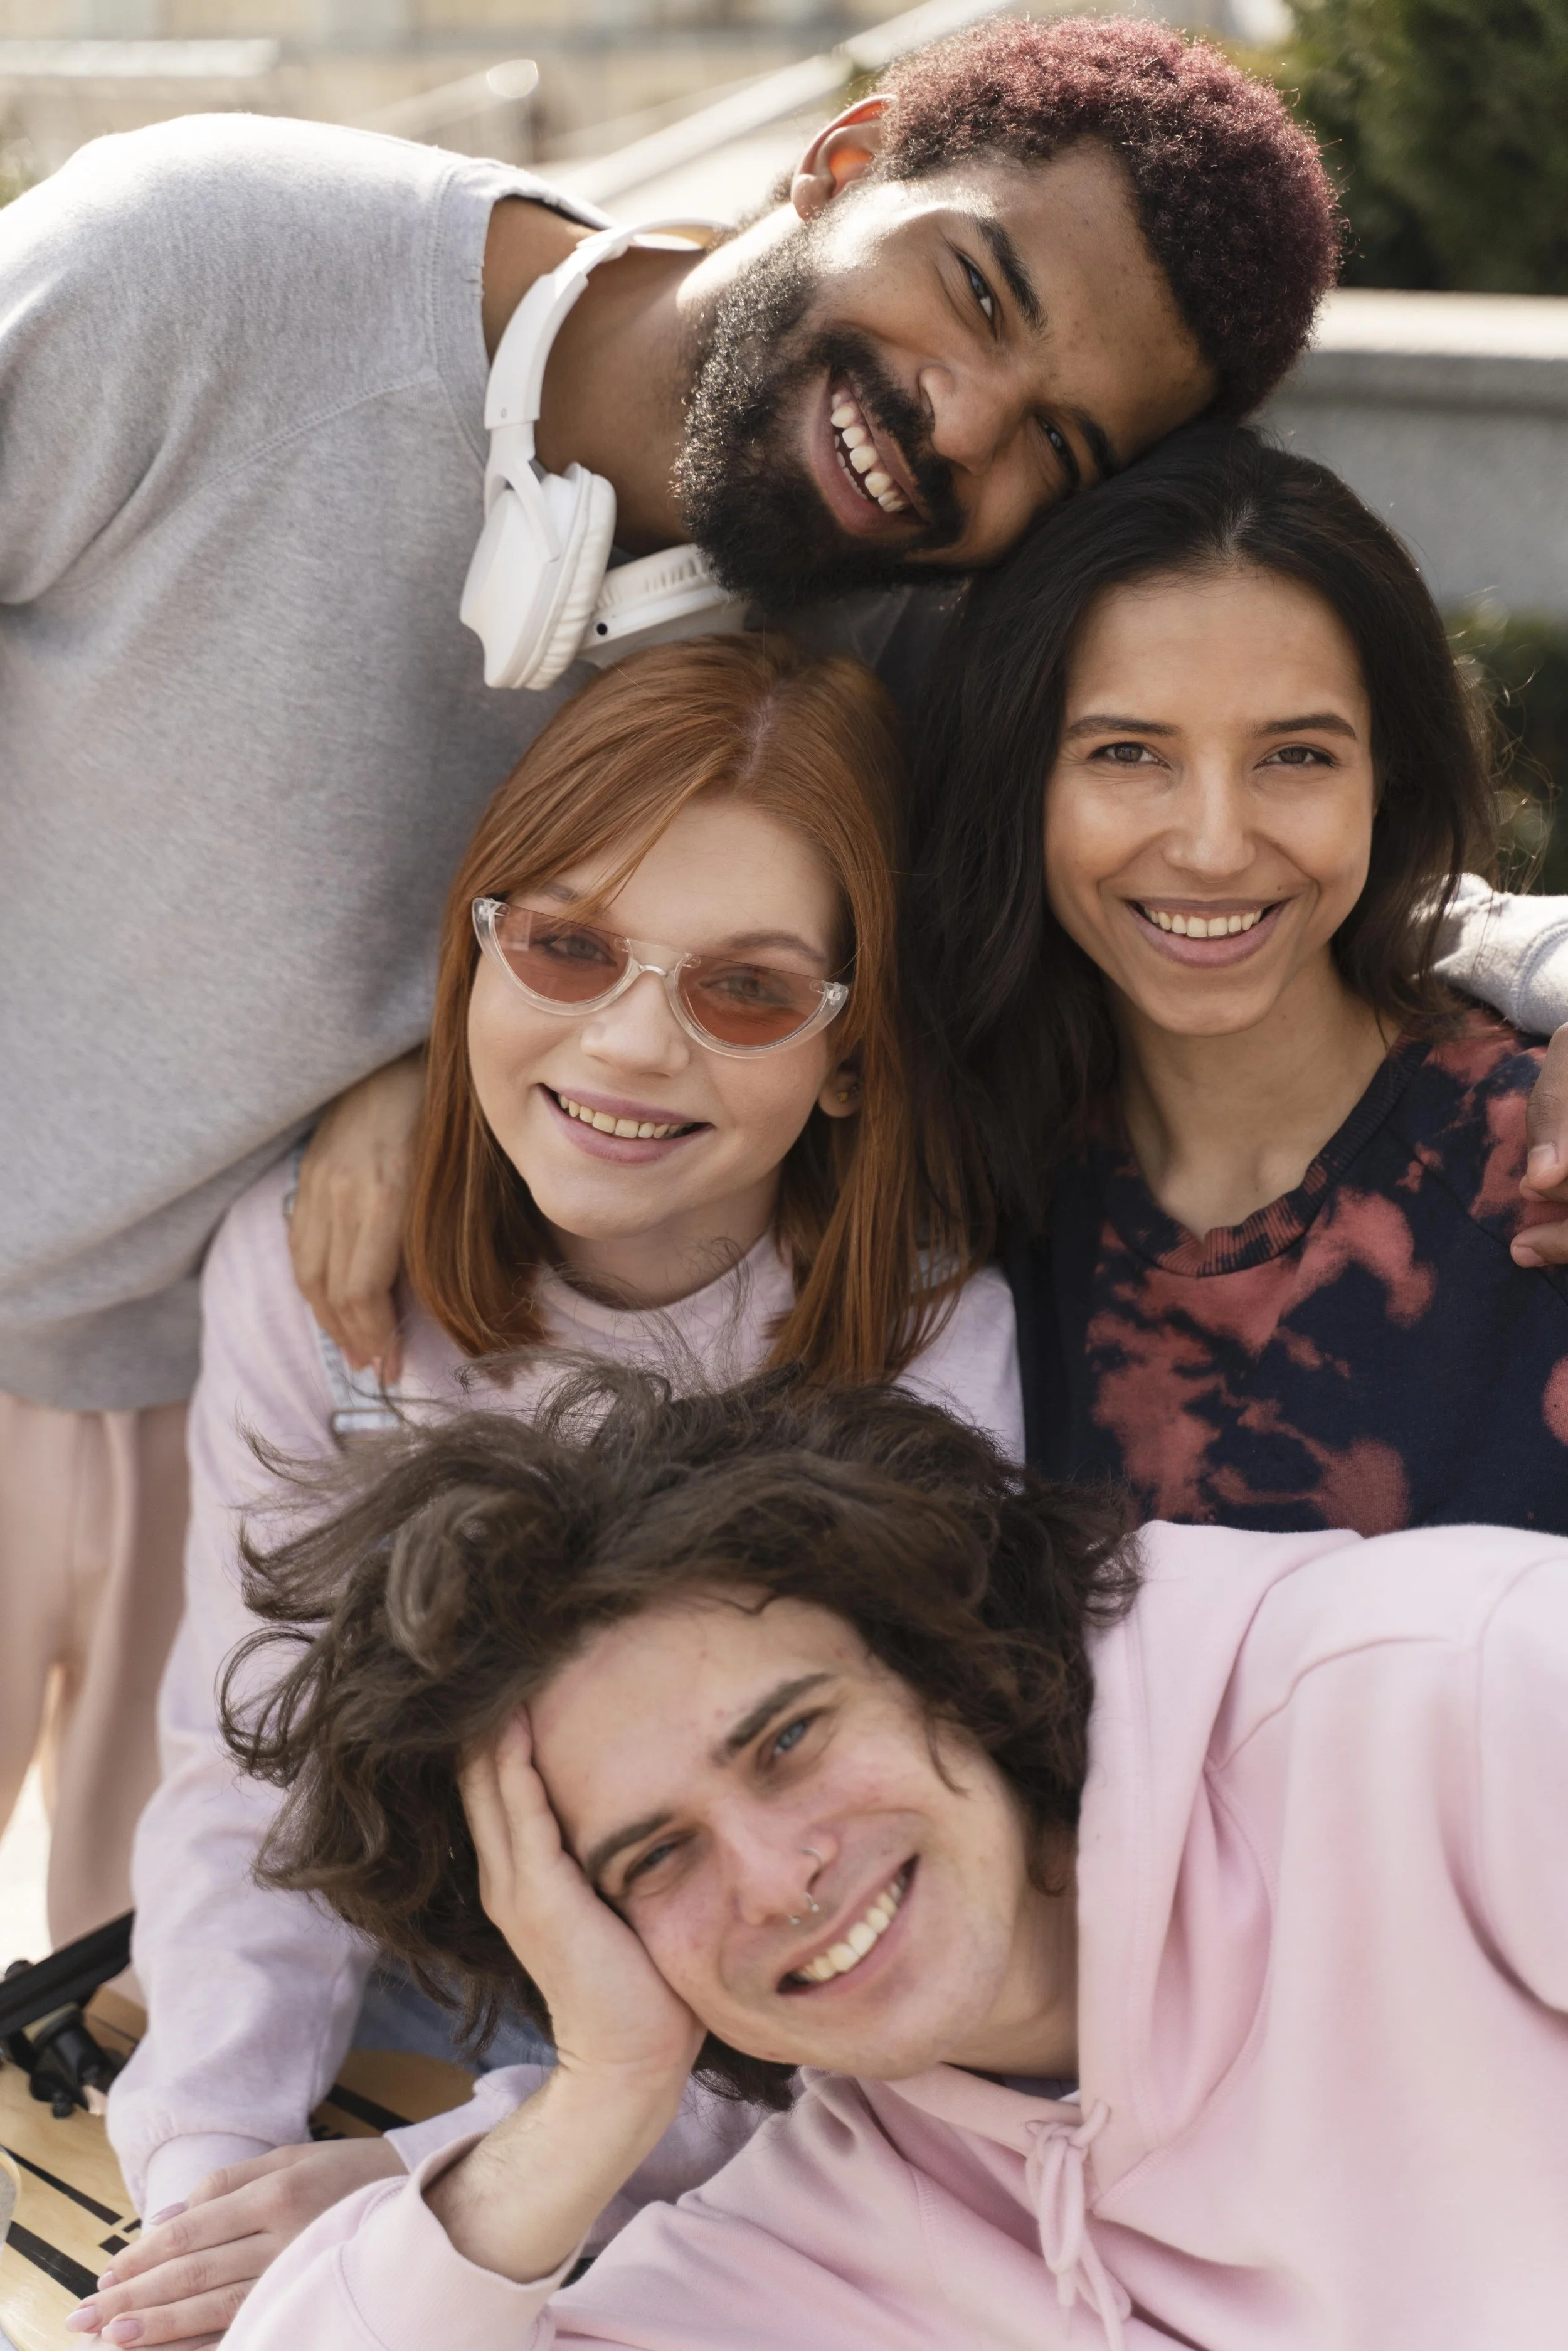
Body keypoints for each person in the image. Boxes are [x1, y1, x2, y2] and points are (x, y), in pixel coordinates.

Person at [0, 13, 1353, 1943]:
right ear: (846, 150)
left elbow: (1231, 838)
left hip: (262, 1416)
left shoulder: (904, 638)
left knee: (138, 2072)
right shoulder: (209, 261)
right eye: (973, 288)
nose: (956, 418)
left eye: (1053, 438)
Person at [103, 634, 1020, 2318]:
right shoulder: (313, 1290)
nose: (629, 1044)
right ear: (472, 954)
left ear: (844, 1048)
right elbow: (254, 1767)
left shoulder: (918, 1340)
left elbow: (893, 1911)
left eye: (739, 986)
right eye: (568, 945)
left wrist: (452, 2171)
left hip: (768, 2072)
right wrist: (203, 2172)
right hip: (411, 1989)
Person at [67, 1370, 1568, 2351]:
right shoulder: (853, 2197)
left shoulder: (1450, 1693)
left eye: (785, 1737)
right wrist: (596, 2096)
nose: (778, 1876)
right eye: (652, 1857)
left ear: (945, 1655)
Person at [904, 425, 1568, 1533]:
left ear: (1382, 782)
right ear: (1019, 777)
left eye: (1296, 755)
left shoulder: (1539, 1172)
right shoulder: (974, 1193)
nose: (1214, 845)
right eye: (1127, 754)